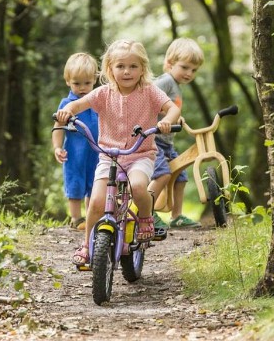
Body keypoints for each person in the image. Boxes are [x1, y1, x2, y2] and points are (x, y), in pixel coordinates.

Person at [54, 39, 181, 265]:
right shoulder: (103, 93)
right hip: (109, 156)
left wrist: (167, 121)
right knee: (96, 202)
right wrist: (66, 112)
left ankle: (144, 219)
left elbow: (172, 108)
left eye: (133, 66)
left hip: (140, 154)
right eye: (120, 66)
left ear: (143, 68)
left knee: (140, 186)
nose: (127, 71)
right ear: (109, 68)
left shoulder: (150, 92)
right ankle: (86, 244)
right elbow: (77, 104)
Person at [149, 38, 205, 230]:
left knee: (180, 175)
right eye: (185, 67)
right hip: (153, 140)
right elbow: (149, 99)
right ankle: (146, 212)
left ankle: (177, 216)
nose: (189, 73)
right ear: (170, 64)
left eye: (194, 70)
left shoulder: (176, 85)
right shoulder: (165, 81)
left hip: (166, 142)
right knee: (162, 174)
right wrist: (166, 115)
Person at [52, 53, 99, 230]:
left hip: (97, 152)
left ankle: (91, 218)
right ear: (68, 81)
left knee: (95, 185)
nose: (82, 88)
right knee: (76, 183)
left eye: (87, 83)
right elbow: (58, 126)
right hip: (75, 152)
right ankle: (76, 218)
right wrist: (57, 147)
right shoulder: (67, 103)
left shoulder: (98, 100)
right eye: (76, 83)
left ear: (94, 80)